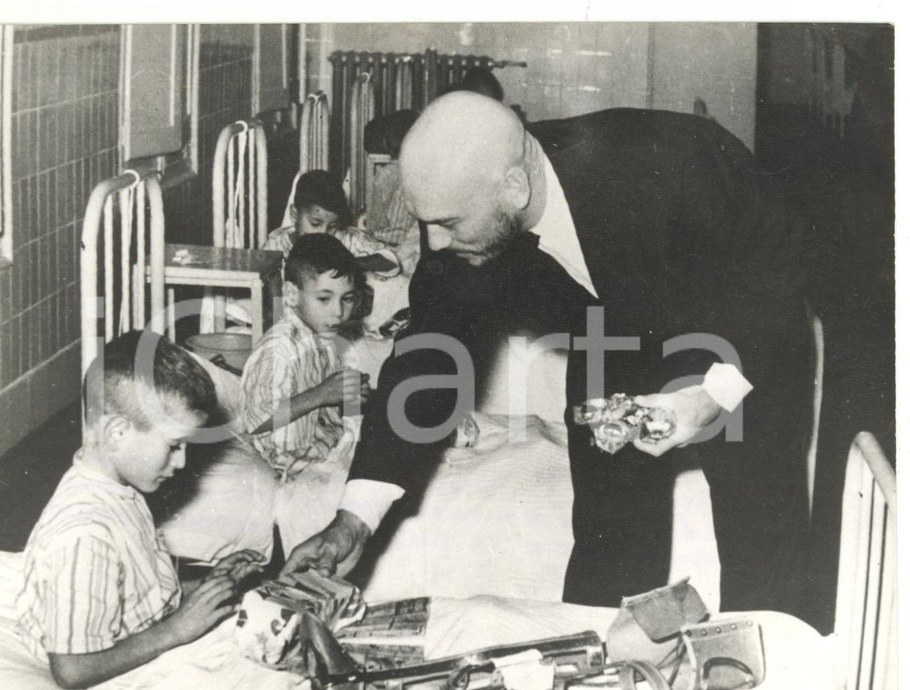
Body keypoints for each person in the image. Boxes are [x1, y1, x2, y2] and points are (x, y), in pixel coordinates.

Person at [283, 92, 813, 622]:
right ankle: (604, 666)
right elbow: (425, 362)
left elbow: (778, 266)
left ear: (514, 187)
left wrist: (710, 393)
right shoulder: (463, 224)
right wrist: (352, 521)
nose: (436, 244)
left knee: (760, 532)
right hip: (615, 339)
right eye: (428, 223)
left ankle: (773, 670)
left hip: (744, 336)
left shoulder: (674, 161)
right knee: (608, 534)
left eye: (448, 222)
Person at [16, 331, 266, 689]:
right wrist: (178, 629)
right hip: (119, 677)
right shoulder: (85, 534)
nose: (181, 462)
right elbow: (71, 670)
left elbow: (138, 588)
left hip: (152, 636)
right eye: (174, 445)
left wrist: (205, 586)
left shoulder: (120, 490)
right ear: (116, 433)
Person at [239, 234, 370, 482]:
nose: (339, 312)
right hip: (286, 466)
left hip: (322, 448)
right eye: (324, 299)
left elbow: (330, 402)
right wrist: (322, 393)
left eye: (347, 299)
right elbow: (257, 420)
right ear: (291, 294)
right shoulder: (278, 349)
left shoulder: (328, 337)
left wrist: (350, 395)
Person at [262, 169, 402, 276]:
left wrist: (348, 263)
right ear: (294, 214)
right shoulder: (277, 244)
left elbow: (390, 261)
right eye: (315, 224)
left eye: (332, 227)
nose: (324, 233)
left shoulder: (347, 238)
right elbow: (268, 287)